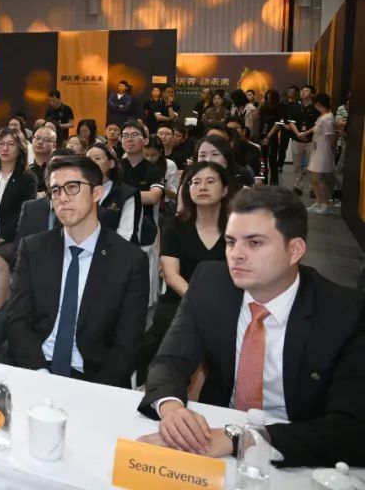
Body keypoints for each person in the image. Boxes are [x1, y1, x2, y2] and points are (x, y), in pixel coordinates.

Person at [137, 186, 365, 468]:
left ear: (295, 250)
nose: (236, 254)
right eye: (231, 242)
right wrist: (171, 407)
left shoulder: (344, 312)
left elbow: (352, 428)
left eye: (254, 243)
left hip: (297, 454)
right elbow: (170, 360)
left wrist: (241, 439)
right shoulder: (209, 283)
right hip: (214, 433)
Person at [1, 154, 149, 387]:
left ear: (97, 193)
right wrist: (40, 374)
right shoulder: (34, 248)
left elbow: (127, 345)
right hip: (35, 366)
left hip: (93, 378)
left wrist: (90, 392)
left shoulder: (129, 261)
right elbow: (17, 319)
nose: (62, 198)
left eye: (72, 187)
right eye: (55, 190)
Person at [135, 162, 230, 384]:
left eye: (210, 181)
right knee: (153, 349)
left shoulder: (236, 229)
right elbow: (170, 275)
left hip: (224, 305)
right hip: (179, 302)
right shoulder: (175, 226)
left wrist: (214, 306)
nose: (202, 187)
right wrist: (201, 302)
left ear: (225, 189)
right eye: (195, 182)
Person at [0, 127, 37, 311]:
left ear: (20, 148)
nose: (5, 148)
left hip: (11, 239)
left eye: (10, 144)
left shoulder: (28, 179)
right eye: (1, 144)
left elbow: (24, 214)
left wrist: (1, 234)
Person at [118, 121, 164, 249]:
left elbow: (153, 197)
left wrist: (120, 196)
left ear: (145, 140)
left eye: (134, 134)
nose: (129, 139)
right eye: (125, 135)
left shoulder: (154, 169)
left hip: (143, 222)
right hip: (117, 218)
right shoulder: (115, 167)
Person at [85, 142, 139, 243]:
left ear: (111, 163)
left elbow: (125, 233)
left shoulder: (126, 193)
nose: (91, 163)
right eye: (88, 159)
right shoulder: (80, 190)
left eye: (97, 158)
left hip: (113, 247)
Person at [307, 93, 337, 214]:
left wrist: (333, 150)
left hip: (323, 151)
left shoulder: (327, 118)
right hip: (317, 150)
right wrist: (303, 133)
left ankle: (325, 204)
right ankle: (319, 202)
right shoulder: (322, 117)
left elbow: (331, 138)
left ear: (318, 104)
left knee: (319, 179)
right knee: (313, 178)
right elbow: (315, 128)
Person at [287, 83, 318, 196]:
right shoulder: (295, 105)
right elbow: (291, 122)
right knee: (297, 165)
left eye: (306, 91)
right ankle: (297, 186)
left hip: (311, 139)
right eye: (302, 91)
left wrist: (305, 133)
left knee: (312, 166)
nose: (303, 92)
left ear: (312, 94)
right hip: (297, 139)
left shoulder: (316, 107)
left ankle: (313, 188)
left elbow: (318, 124)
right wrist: (298, 133)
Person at [257, 89, 287, 186]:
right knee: (262, 161)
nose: (268, 98)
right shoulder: (264, 107)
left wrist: (268, 137)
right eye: (267, 96)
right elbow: (256, 117)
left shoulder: (280, 107)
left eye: (270, 97)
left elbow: (278, 124)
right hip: (261, 135)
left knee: (272, 161)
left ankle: (274, 183)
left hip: (272, 136)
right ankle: (263, 181)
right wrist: (260, 105)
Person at [29, 124, 57, 195]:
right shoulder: (26, 171)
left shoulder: (57, 169)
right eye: (37, 138)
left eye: (46, 140)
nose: (40, 142)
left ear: (54, 145)